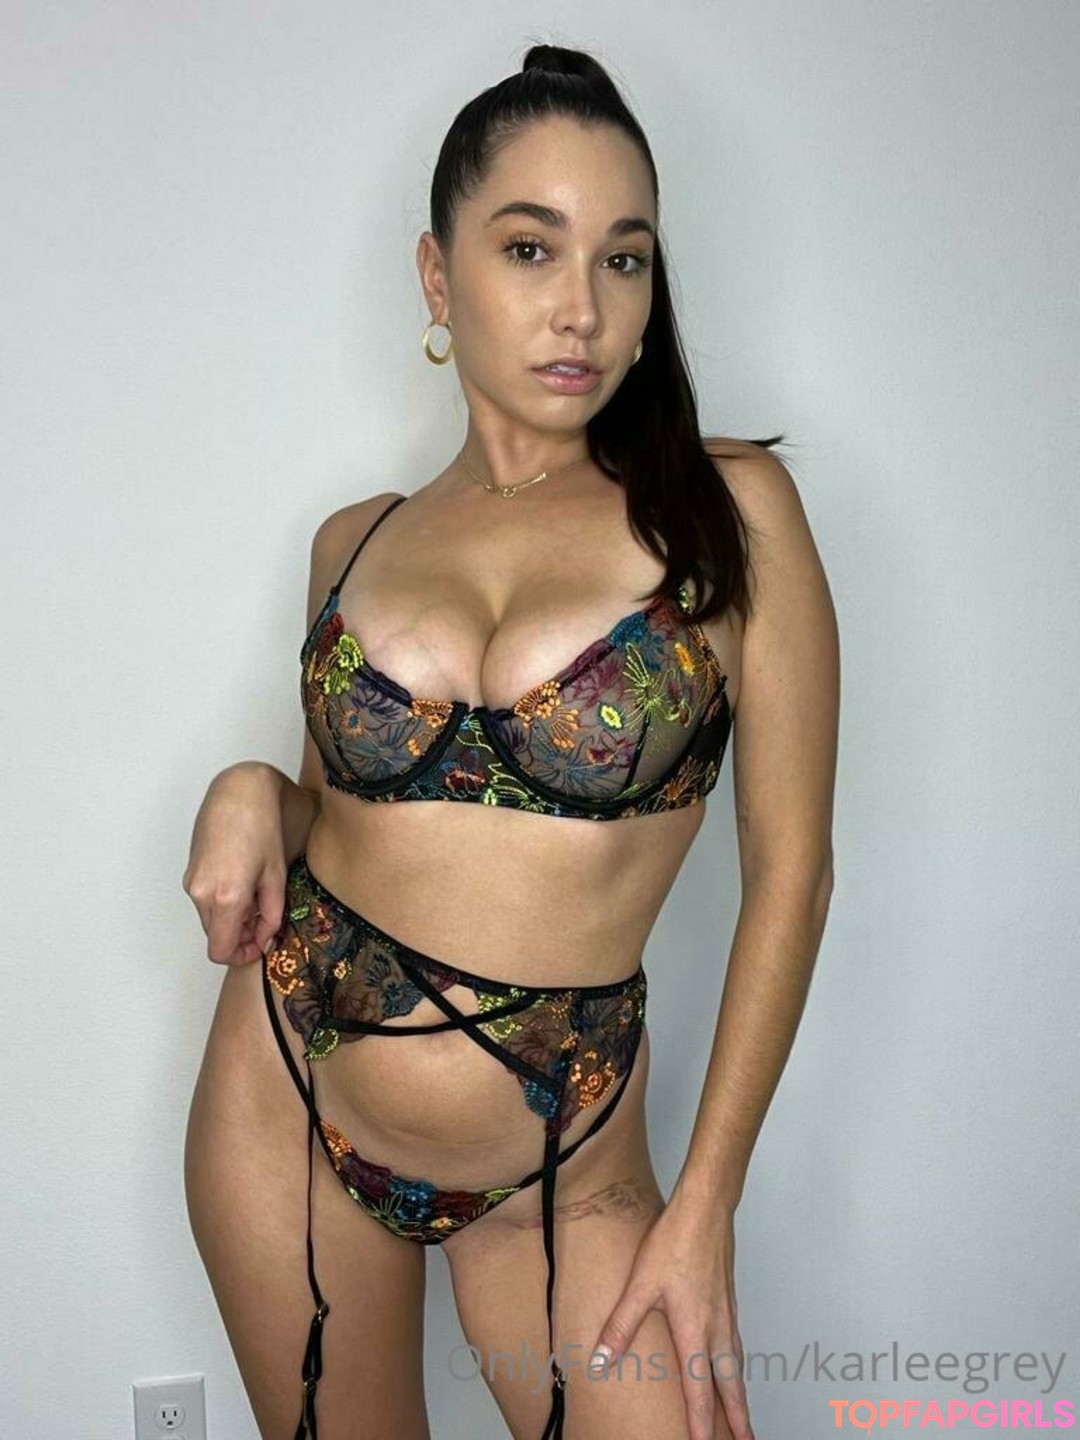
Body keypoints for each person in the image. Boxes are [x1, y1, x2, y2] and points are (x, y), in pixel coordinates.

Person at [182, 42, 838, 1440]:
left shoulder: (731, 515)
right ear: (438, 277)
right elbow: (345, 825)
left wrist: (707, 1203)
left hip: (566, 1160)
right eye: (531, 248)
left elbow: (791, 873)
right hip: (289, 1089)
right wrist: (246, 790)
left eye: (624, 259)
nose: (583, 308)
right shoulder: (353, 543)